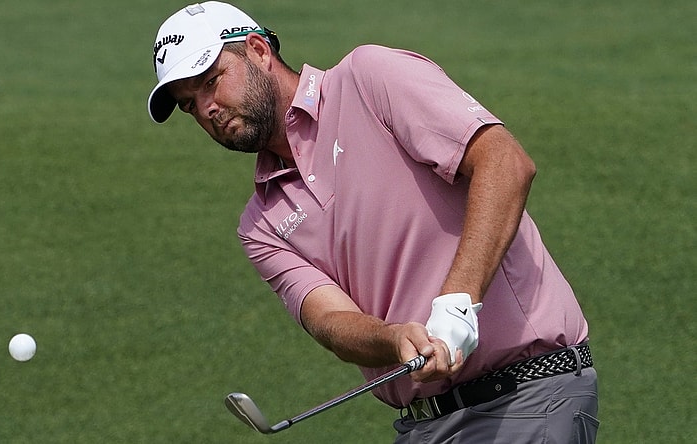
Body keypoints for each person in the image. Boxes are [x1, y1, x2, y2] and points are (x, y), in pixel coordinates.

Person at [147, 2, 599, 442]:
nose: (206, 108)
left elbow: (505, 161)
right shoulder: (261, 223)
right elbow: (330, 321)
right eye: (189, 104)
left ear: (259, 51)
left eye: (211, 81)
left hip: (524, 395)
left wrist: (459, 302)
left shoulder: (368, 78)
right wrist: (393, 338)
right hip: (424, 425)